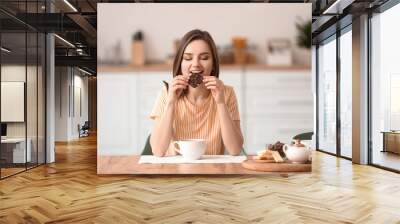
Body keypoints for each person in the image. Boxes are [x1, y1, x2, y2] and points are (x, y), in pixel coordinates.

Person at [149, 29, 243, 157]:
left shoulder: (226, 93)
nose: (195, 64)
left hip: (212, 172)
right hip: (174, 172)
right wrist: (171, 102)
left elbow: (235, 149)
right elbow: (158, 151)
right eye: (188, 58)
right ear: (180, 63)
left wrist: (221, 103)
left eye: (204, 58)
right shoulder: (167, 93)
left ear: (214, 64)